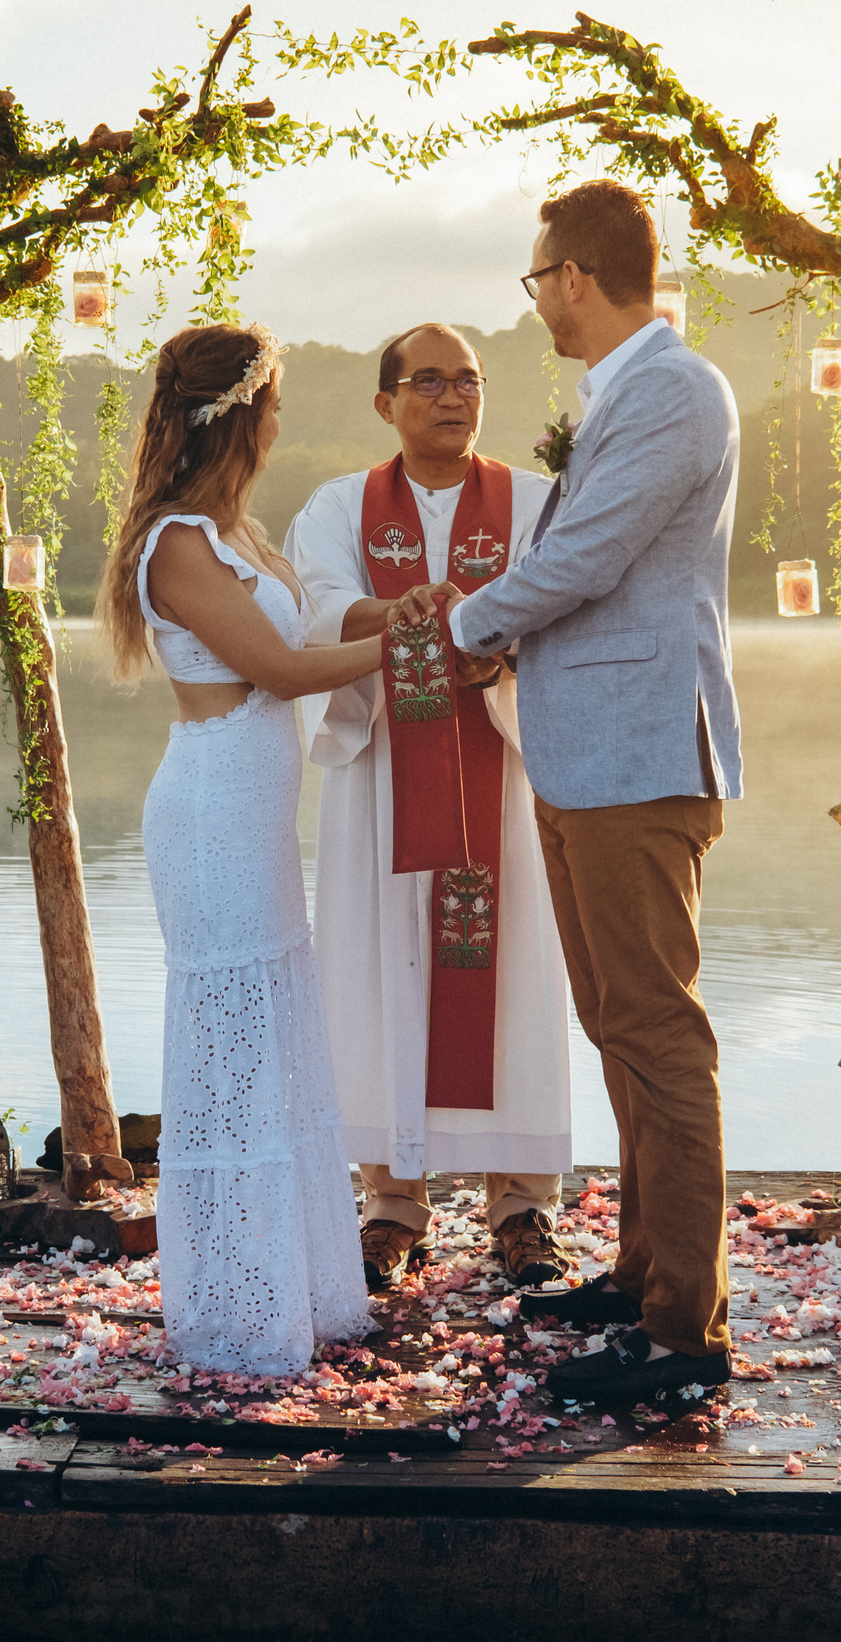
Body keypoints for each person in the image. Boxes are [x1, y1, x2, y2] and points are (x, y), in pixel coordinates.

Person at [441, 181, 743, 1404]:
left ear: (573, 274)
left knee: (660, 1035)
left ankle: (683, 1336)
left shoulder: (674, 388)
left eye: (535, 280)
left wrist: (467, 621)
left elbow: (586, 557)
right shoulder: (617, 392)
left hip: (636, 756)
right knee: (617, 1026)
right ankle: (638, 1277)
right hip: (582, 752)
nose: (536, 305)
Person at [95, 322, 439, 1377]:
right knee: (231, 1053)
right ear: (243, 413)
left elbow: (309, 647)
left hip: (256, 818)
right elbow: (281, 671)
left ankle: (295, 1287)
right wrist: (422, 636)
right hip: (209, 814)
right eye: (276, 400)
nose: (283, 418)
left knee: (275, 1038)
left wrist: (399, 622)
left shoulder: (237, 533)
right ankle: (235, 1310)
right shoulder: (177, 545)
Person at [284, 322, 574, 1293]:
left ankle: (523, 1204)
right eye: (428, 380)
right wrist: (394, 612)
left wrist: (507, 648)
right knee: (382, 972)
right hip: (382, 779)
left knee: (514, 973)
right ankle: (391, 1205)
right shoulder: (337, 506)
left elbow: (569, 611)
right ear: (385, 402)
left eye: (468, 379)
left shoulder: (534, 503)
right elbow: (316, 604)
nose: (452, 396)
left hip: (499, 766)